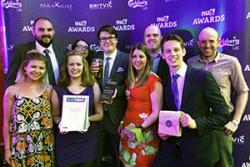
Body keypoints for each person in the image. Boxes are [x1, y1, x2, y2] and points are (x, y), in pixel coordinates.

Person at [153, 34, 231, 167]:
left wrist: (196, 123)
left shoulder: (202, 78)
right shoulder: (163, 81)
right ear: (163, 55)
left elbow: (223, 115)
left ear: (183, 51)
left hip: (199, 153)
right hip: (171, 153)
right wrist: (163, 130)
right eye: (168, 51)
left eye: (176, 50)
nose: (173, 54)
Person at [187, 27, 249, 167]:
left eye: (211, 41)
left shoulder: (231, 62)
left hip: (222, 126)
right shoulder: (191, 63)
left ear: (219, 42)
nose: (207, 45)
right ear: (198, 43)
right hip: (198, 125)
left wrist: (235, 121)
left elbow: (242, 91)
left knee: (224, 164)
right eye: (203, 42)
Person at [3, 50, 56, 166]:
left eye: (41, 68)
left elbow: (56, 117)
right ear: (25, 69)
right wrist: (7, 150)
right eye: (33, 67)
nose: (37, 71)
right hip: (20, 146)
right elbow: (6, 123)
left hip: (44, 146)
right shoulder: (12, 91)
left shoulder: (49, 90)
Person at [51, 50, 103, 167]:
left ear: (84, 66)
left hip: (87, 140)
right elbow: (55, 115)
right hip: (65, 142)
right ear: (66, 67)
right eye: (71, 64)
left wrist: (84, 121)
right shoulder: (58, 88)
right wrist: (60, 122)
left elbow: (100, 114)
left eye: (78, 64)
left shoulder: (93, 86)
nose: (75, 68)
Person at [91, 25, 129, 167]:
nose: (107, 41)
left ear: (117, 40)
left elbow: (131, 85)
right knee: (96, 154)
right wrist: (90, 73)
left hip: (116, 114)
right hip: (97, 113)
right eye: (103, 38)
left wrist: (117, 91)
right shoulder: (95, 58)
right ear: (99, 42)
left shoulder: (126, 58)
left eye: (110, 37)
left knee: (118, 154)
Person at [119, 43, 162, 167]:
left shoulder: (154, 80)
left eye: (141, 57)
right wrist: (123, 122)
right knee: (127, 162)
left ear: (148, 59)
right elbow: (129, 104)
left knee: (142, 162)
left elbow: (156, 111)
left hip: (144, 131)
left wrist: (140, 128)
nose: (137, 60)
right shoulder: (131, 79)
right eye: (134, 56)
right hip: (127, 129)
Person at [5, 17, 65, 87]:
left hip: (58, 96)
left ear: (53, 32)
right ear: (33, 32)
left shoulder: (62, 50)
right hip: (32, 96)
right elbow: (11, 81)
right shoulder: (21, 51)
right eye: (41, 30)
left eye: (49, 30)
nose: (46, 33)